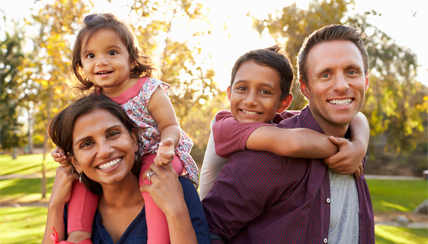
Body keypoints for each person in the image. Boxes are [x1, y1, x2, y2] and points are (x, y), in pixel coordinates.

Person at [202, 24, 375, 243]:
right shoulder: (266, 153)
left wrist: (358, 145)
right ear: (305, 88)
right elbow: (207, 231)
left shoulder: (354, 145)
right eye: (325, 74)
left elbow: (359, 118)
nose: (341, 85)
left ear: (366, 81)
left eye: (352, 72)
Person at [51, 13, 198, 244]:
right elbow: (76, 135)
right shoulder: (94, 101)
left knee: (150, 181)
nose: (101, 61)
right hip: (126, 161)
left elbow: (170, 125)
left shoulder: (148, 90)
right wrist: (62, 151)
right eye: (91, 55)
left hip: (156, 154)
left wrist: (167, 145)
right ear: (82, 66)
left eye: (112, 52)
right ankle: (78, 235)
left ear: (131, 59)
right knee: (81, 182)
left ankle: (157, 238)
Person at [199, 45, 369, 200]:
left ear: (283, 103)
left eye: (264, 92)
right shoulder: (225, 125)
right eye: (242, 88)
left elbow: (357, 117)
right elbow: (294, 143)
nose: (250, 100)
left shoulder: (278, 119)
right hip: (209, 226)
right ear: (229, 93)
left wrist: (359, 146)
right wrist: (345, 150)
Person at [42, 94, 210, 244]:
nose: (105, 151)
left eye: (113, 134)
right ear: (76, 162)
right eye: (87, 144)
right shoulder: (72, 208)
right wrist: (55, 205)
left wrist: (176, 211)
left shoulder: (176, 190)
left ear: (134, 140)